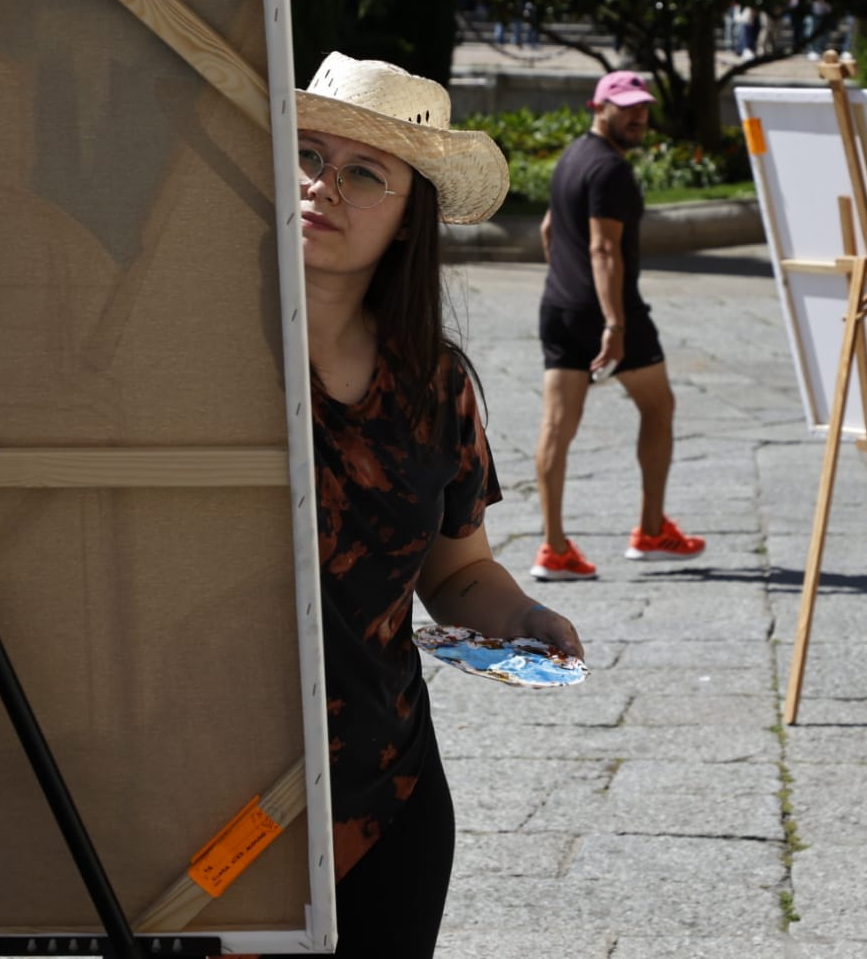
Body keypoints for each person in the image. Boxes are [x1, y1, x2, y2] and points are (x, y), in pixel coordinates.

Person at [295, 51, 584, 954]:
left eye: (362, 171)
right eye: (305, 155)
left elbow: (455, 570)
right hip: (200, 800)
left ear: (410, 220)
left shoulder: (434, 384)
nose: (321, 185)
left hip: (389, 797)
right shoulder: (189, 357)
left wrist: (524, 613)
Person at [531, 70, 706, 580]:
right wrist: (613, 323)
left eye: (643, 106)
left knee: (556, 427)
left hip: (559, 306)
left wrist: (566, 283)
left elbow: (548, 228)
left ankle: (553, 547)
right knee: (659, 405)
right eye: (626, 105)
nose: (638, 115)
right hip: (609, 311)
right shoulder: (610, 170)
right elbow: (603, 248)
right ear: (598, 106)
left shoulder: (571, 158)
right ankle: (650, 531)